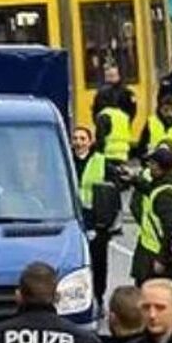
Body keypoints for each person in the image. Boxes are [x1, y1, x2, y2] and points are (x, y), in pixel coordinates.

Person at [130, 147, 172, 294]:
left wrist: (162, 260)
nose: (149, 167)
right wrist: (134, 180)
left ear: (159, 167)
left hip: (157, 255)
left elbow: (170, 229)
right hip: (167, 255)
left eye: (152, 164)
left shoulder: (166, 195)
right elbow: (151, 189)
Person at [71, 126, 119, 305]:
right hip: (74, 216)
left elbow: (114, 189)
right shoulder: (66, 160)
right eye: (75, 138)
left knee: (98, 261)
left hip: (97, 218)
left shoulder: (101, 161)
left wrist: (110, 219)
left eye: (82, 138)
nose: (78, 142)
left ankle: (98, 296)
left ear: (90, 142)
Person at [93, 65, 137, 168]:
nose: (110, 78)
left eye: (112, 75)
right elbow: (96, 109)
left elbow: (132, 110)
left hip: (117, 136)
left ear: (118, 76)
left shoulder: (126, 92)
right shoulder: (101, 92)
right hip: (117, 146)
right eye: (108, 76)